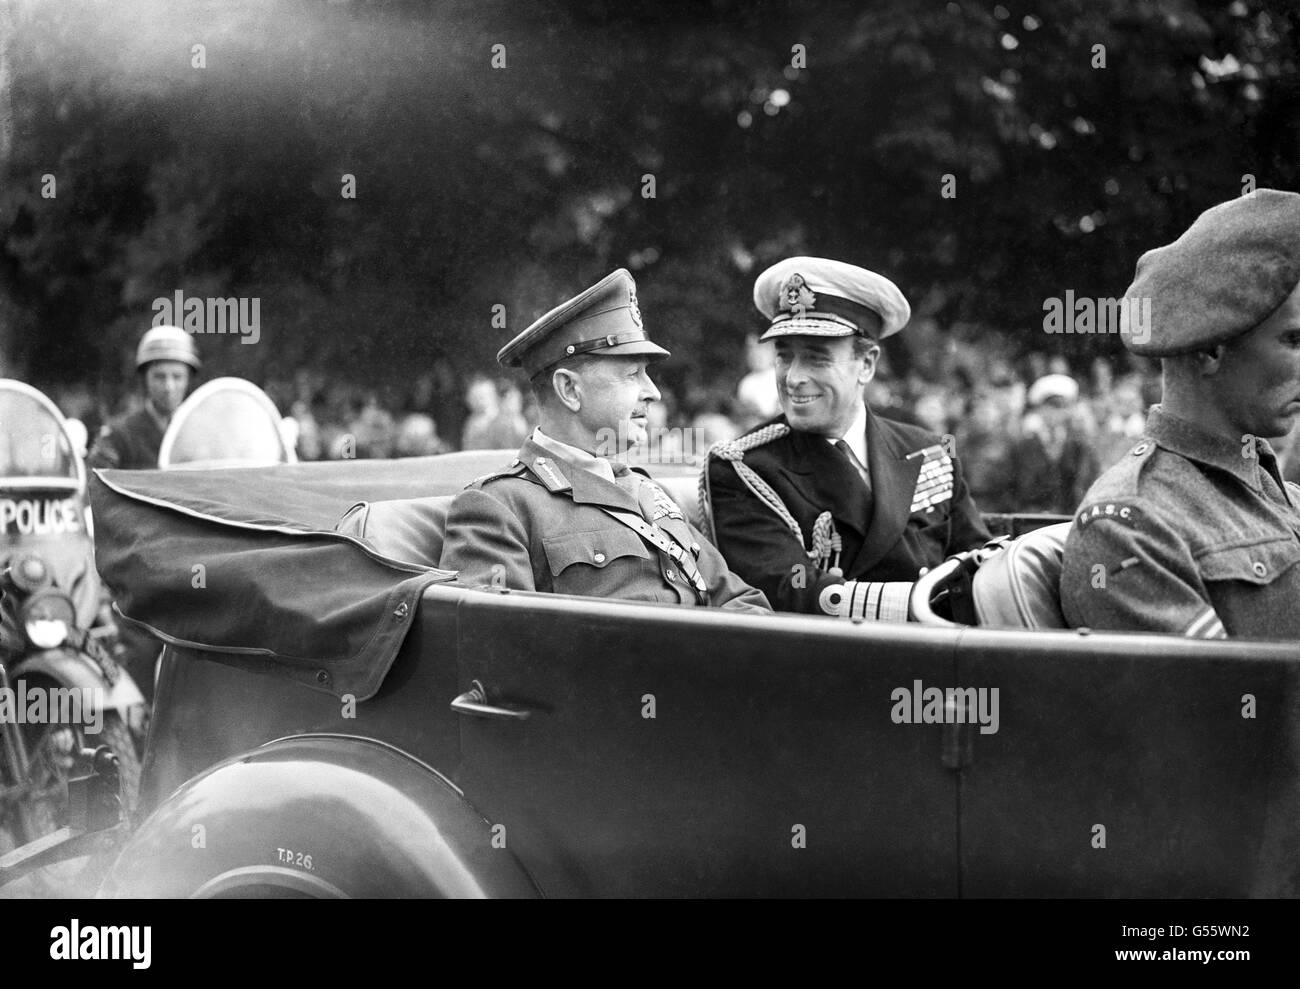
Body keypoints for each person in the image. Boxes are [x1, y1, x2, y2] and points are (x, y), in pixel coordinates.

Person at [438, 268, 770, 613]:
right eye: (632, 374)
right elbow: (503, 645)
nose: (653, 392)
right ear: (569, 389)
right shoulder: (499, 506)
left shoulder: (648, 492)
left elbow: (744, 601)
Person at [1060, 189, 1300, 639]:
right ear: (1210, 351)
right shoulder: (1131, 527)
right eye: (1294, 341)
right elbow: (1227, 702)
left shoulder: (1275, 490)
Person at [703, 257, 989, 618]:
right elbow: (784, 590)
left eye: (816, 359)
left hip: (940, 654)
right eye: (784, 357)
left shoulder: (928, 452)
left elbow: (979, 560)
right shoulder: (745, 469)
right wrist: (928, 603)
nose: (793, 378)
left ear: (866, 364)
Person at [87, 326, 200, 470]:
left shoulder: (201, 435)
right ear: (145, 378)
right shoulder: (120, 435)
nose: (169, 387)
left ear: (188, 379)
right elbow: (97, 484)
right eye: (159, 377)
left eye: (177, 377)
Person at [1009, 373, 1100, 514]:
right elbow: (1013, 488)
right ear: (1039, 409)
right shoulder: (1023, 445)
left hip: (1069, 519)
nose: (1056, 412)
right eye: (1051, 406)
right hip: (1031, 520)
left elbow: (1086, 485)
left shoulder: (1079, 445)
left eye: (1062, 406)